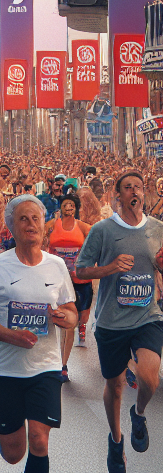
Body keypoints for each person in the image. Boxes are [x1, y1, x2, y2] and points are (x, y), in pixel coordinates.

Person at [0, 195, 78, 473]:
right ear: (12, 228)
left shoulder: (57, 266)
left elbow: (71, 310)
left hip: (46, 367)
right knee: (14, 454)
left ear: (43, 225)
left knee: (39, 441)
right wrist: (10, 335)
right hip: (7, 370)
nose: (30, 224)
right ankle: (6, 438)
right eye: (23, 219)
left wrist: (65, 318)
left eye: (36, 218)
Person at [75, 170, 163, 473]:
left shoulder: (158, 229)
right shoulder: (103, 230)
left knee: (150, 378)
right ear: (118, 195)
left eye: (138, 186)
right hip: (112, 321)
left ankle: (138, 414)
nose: (134, 191)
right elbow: (82, 271)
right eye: (127, 187)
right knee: (114, 387)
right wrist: (110, 268)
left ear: (144, 193)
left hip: (147, 315)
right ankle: (116, 441)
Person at [44, 193, 92, 378]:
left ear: (76, 208)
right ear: (60, 208)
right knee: (57, 321)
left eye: (72, 205)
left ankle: (63, 365)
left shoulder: (82, 227)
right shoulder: (52, 225)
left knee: (73, 320)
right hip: (55, 280)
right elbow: (39, 238)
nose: (69, 208)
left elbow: (97, 239)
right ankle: (56, 362)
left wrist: (88, 260)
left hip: (77, 280)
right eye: (65, 205)